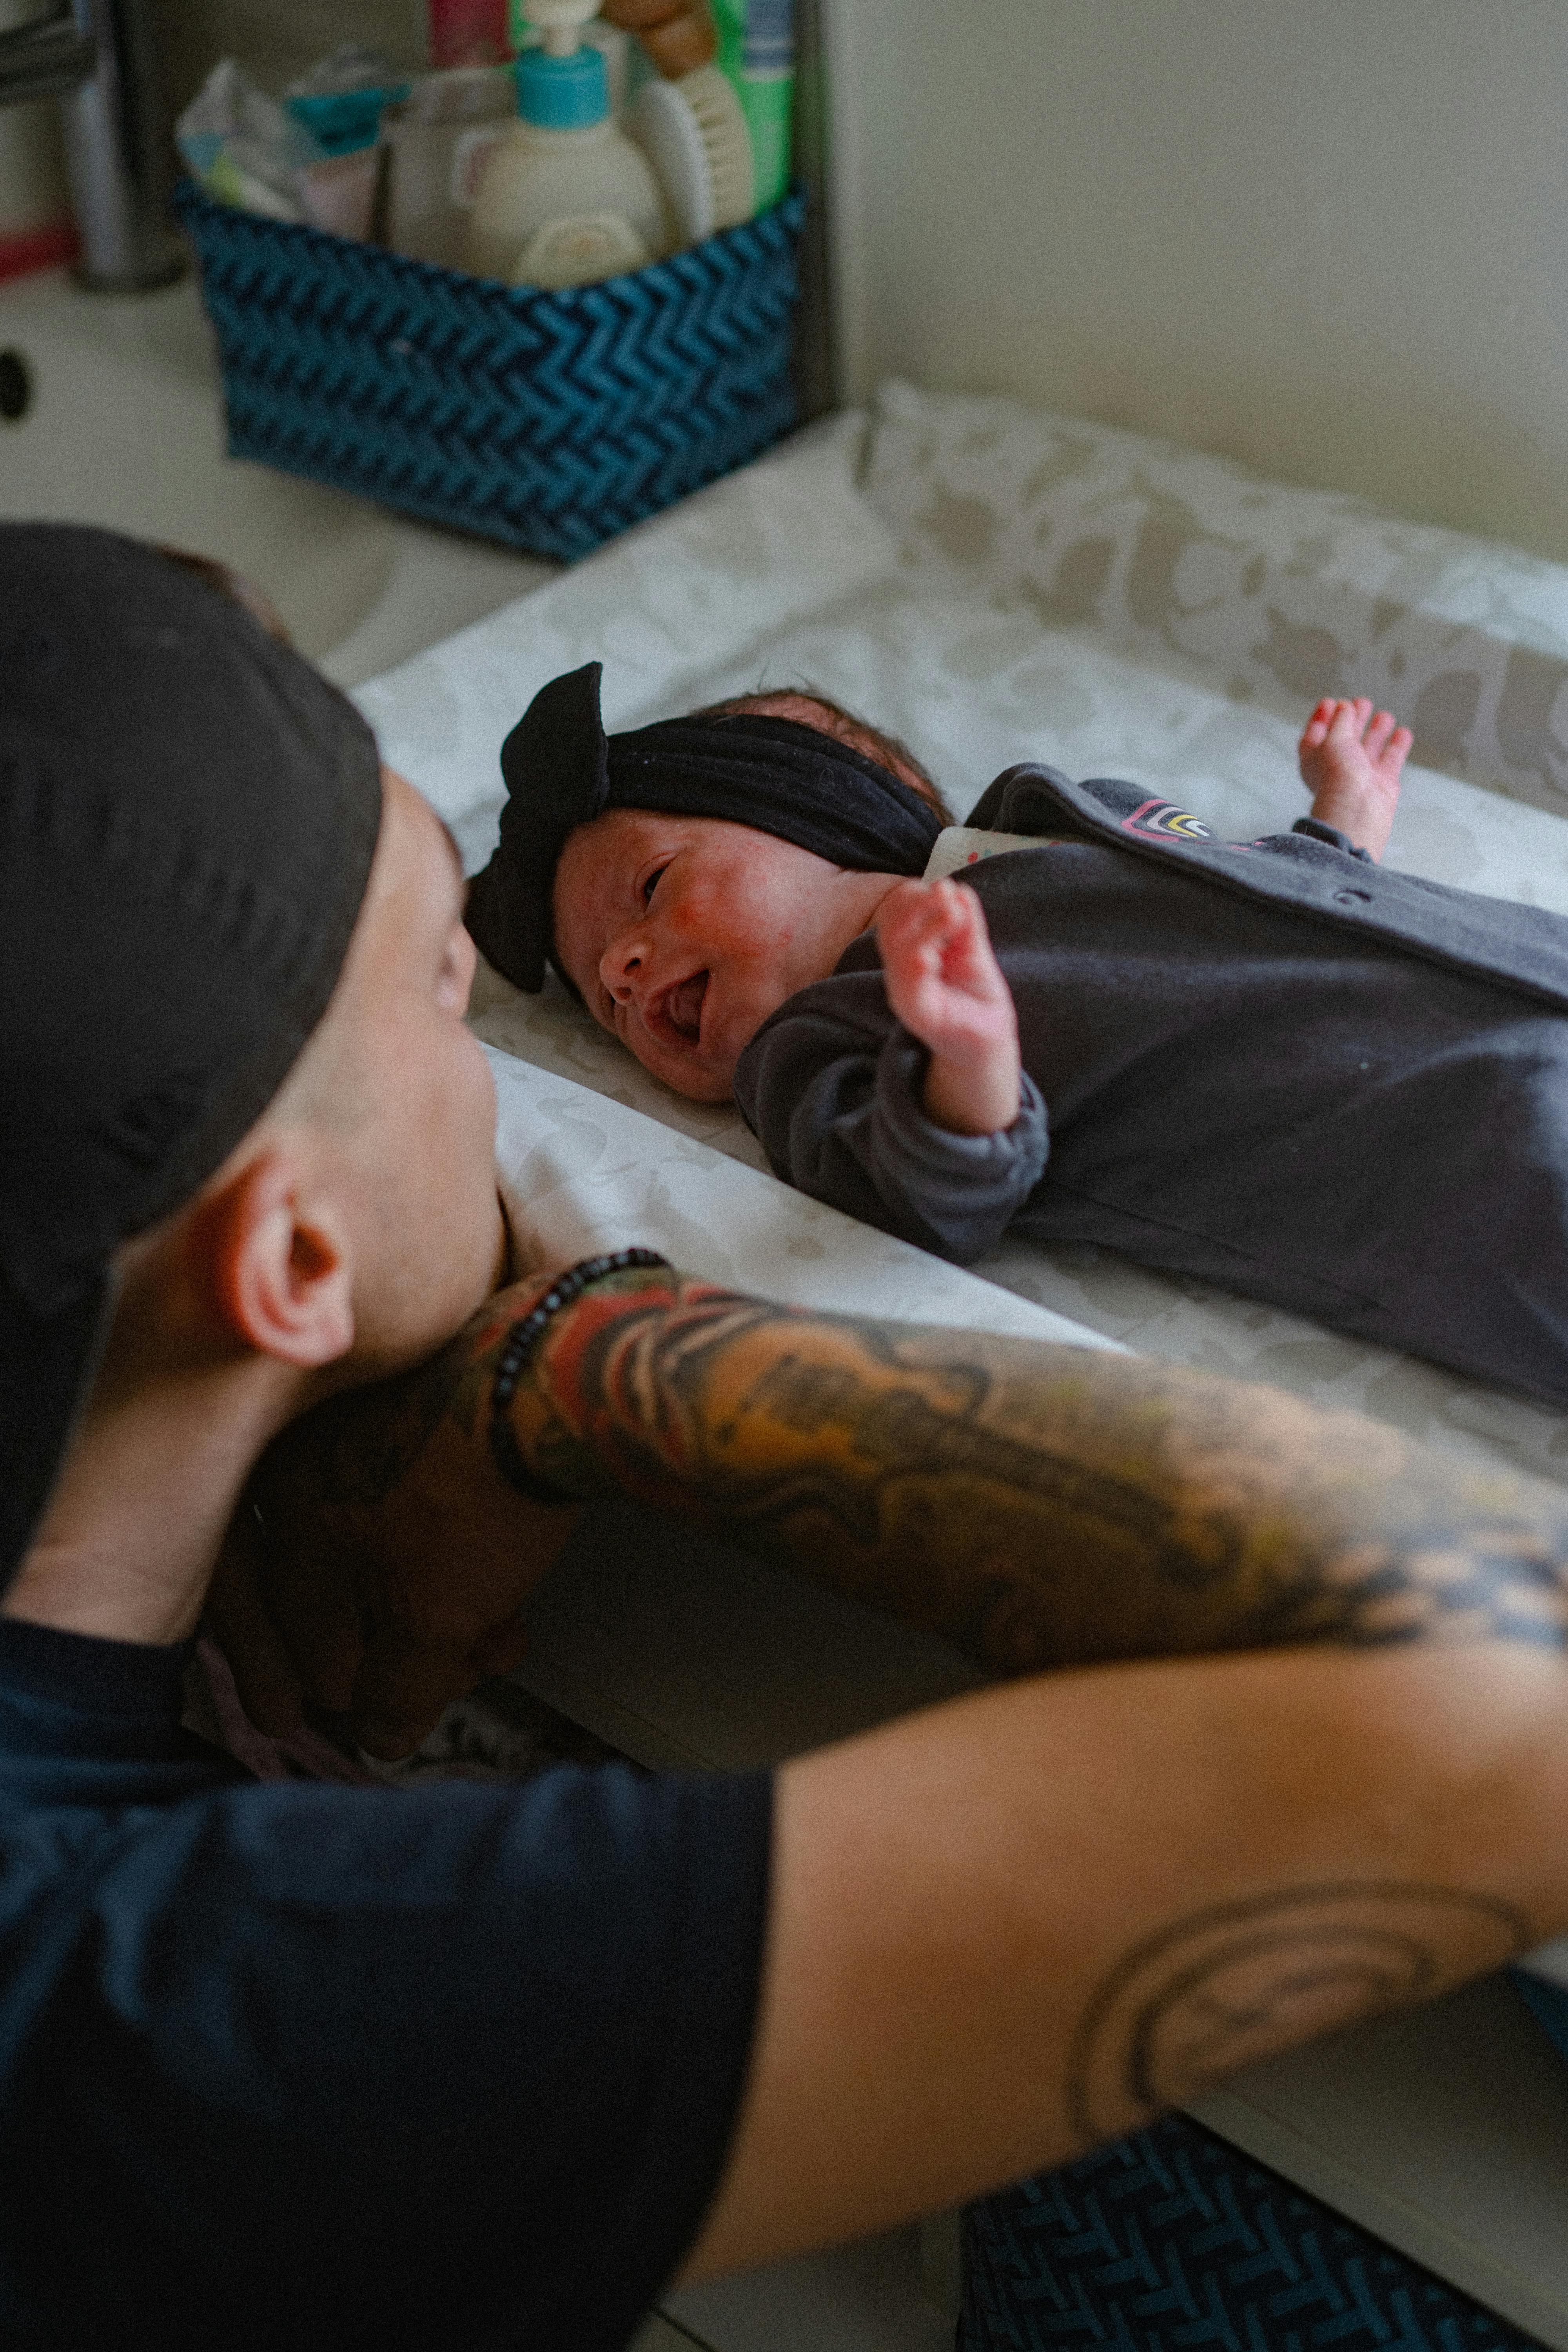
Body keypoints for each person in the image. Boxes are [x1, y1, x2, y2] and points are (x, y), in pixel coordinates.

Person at [8, 522, 1568, 2352]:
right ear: (290, 1259)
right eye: (451, 988)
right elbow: (1505, 1685)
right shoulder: (184, 2004)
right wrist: (578, 1357)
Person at [467, 660, 1568, 1405]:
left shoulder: (1062, 814)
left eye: (652, 888)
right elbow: (927, 1193)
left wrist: (1340, 830)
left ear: (808, 805)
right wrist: (970, 1063)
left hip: (1515, 961)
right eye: (608, 1001)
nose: (623, 968)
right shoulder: (815, 1045)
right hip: (1463, 1158)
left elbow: (1258, 897)